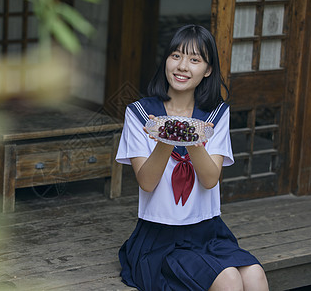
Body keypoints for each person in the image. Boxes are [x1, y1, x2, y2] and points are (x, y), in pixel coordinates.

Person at [115, 24, 269, 291]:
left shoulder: (215, 115)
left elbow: (210, 179)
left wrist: (193, 137)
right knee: (229, 279)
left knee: (254, 274)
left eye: (194, 59)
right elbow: (147, 183)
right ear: (166, 60)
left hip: (207, 232)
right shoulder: (140, 114)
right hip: (160, 237)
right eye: (176, 55)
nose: (182, 66)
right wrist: (165, 138)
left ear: (208, 70)